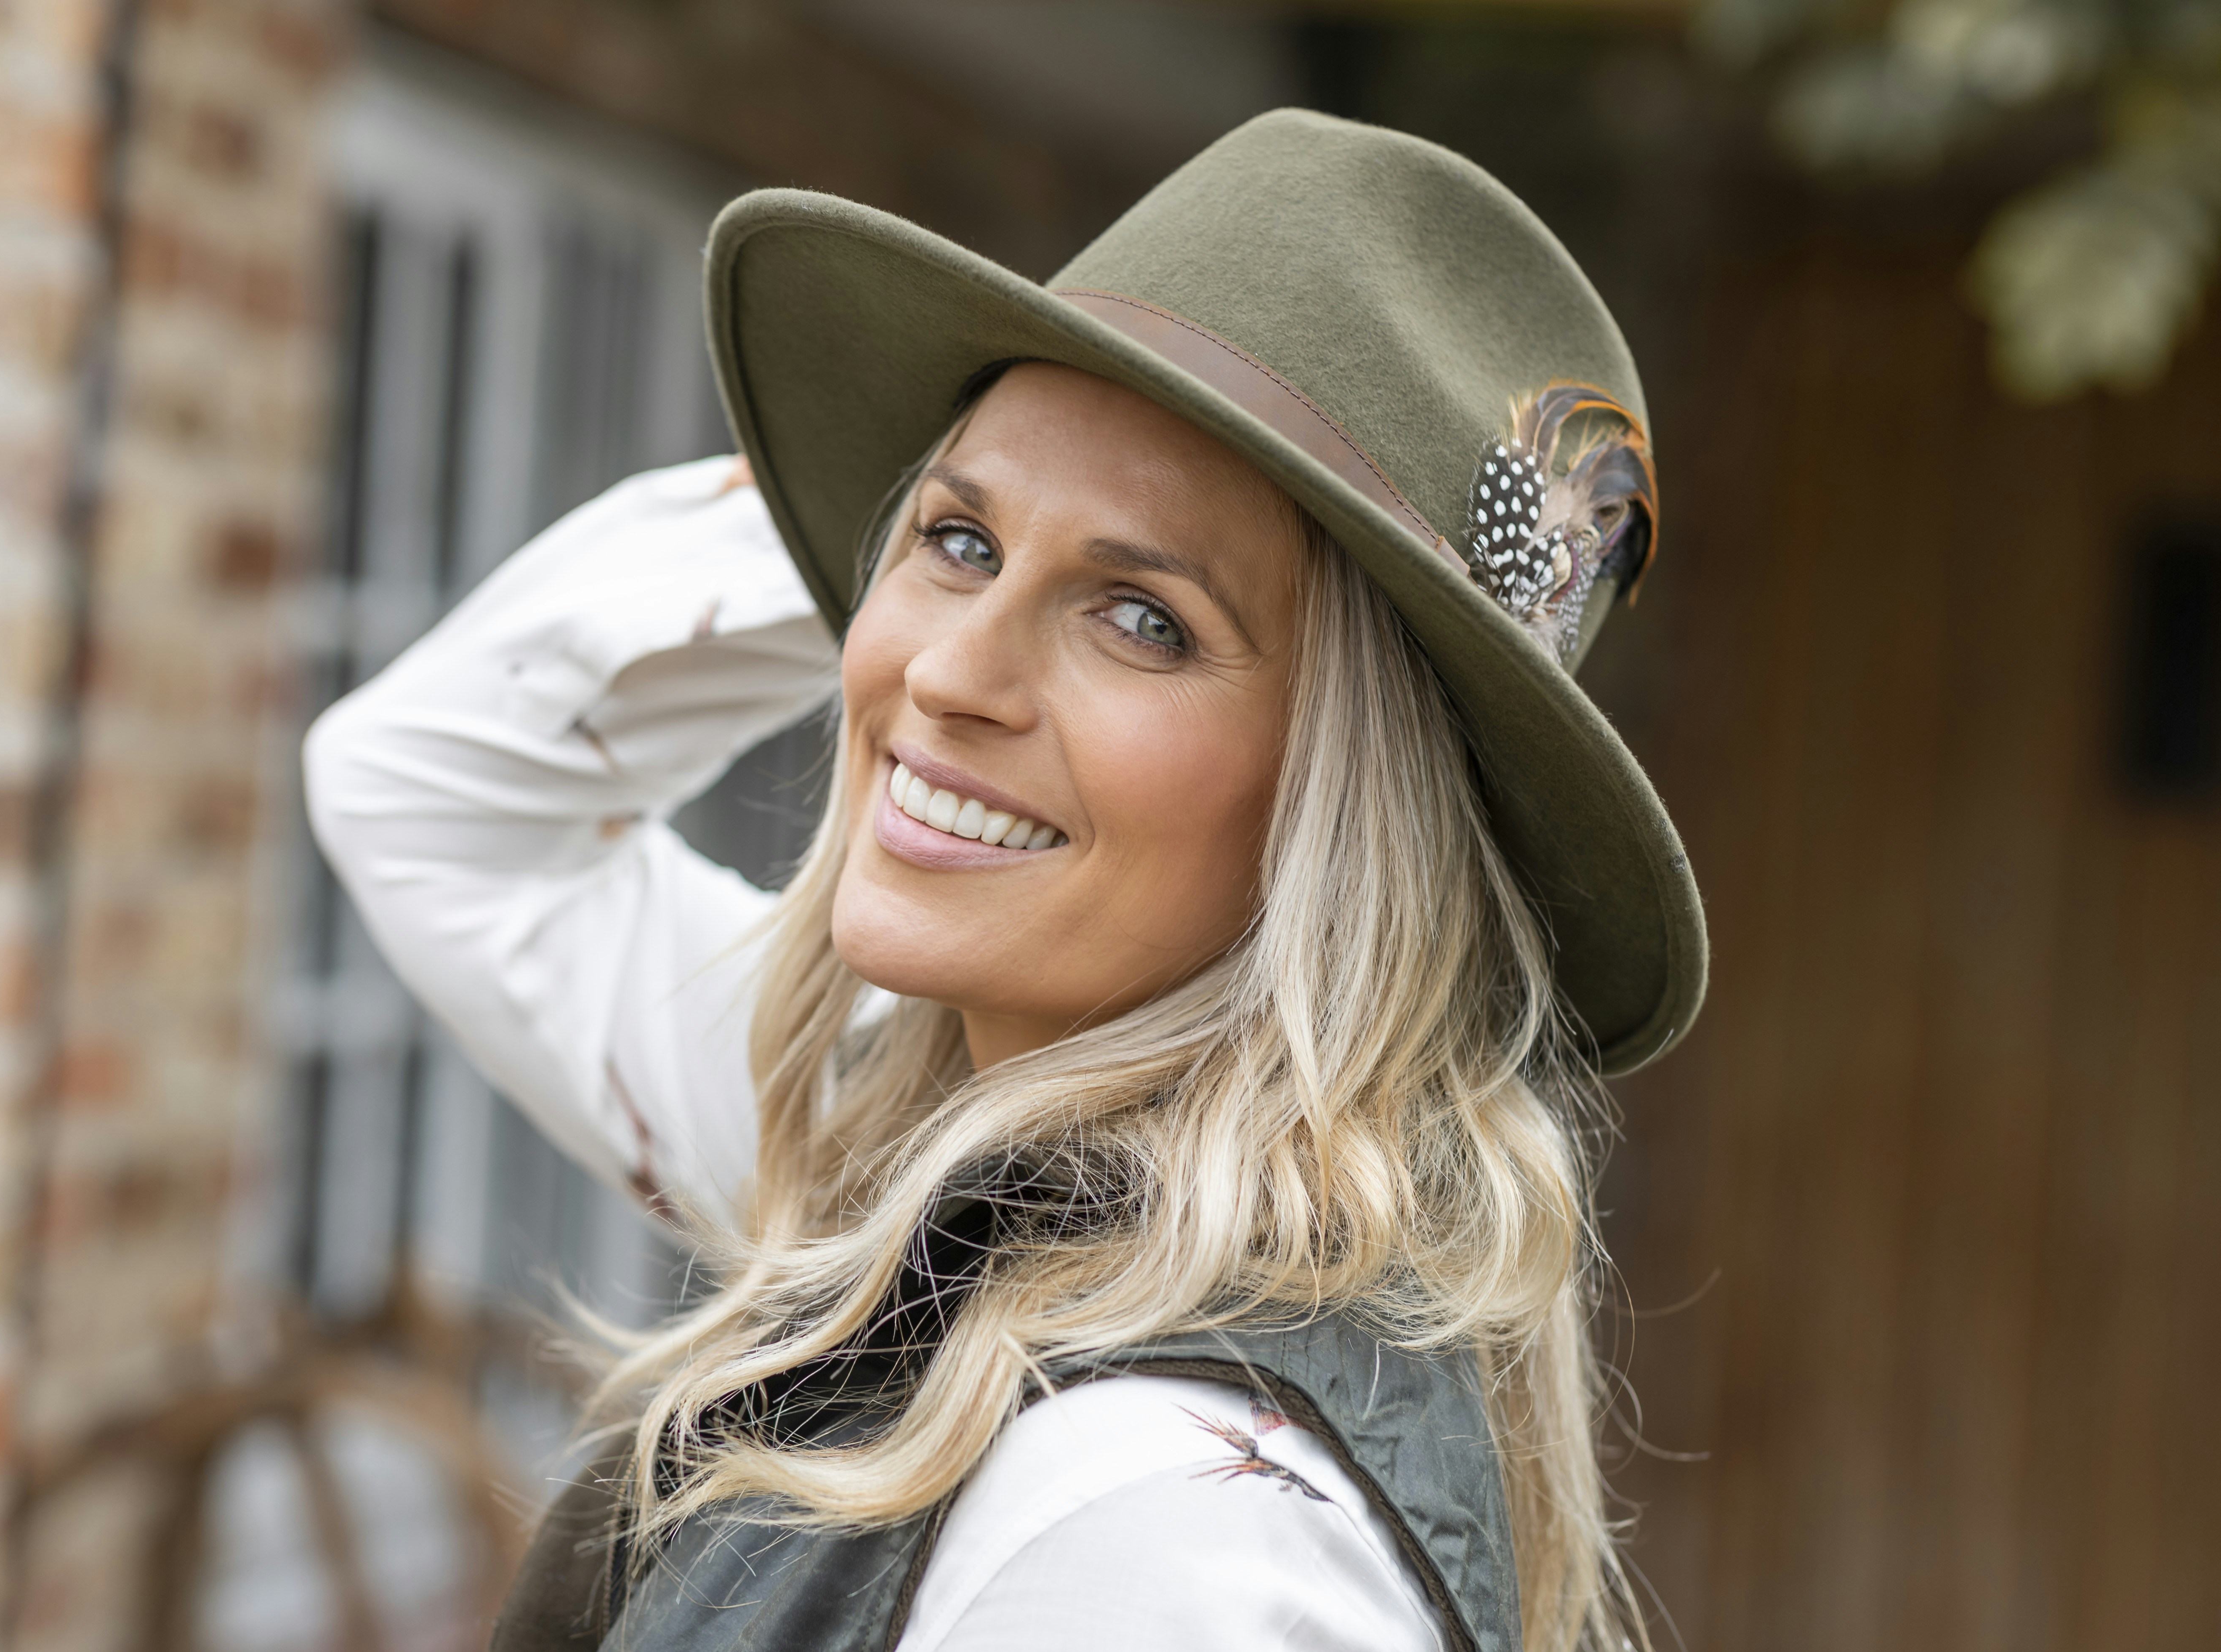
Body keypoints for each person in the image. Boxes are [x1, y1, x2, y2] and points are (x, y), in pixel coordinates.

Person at [306, 108, 1706, 1652]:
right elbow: (418, 785)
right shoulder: (908, 1157)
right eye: (954, 540)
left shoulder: (1169, 1528)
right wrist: (885, 553)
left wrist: (970, 535)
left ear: (1353, 814)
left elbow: (431, 803)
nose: (954, 673)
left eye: (1147, 623)